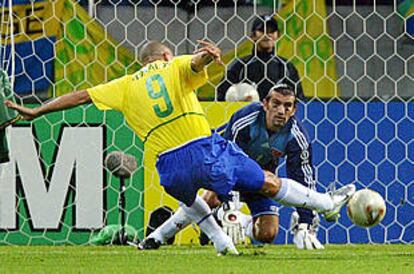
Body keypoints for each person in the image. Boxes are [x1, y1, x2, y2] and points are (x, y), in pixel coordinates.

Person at [6, 40, 354, 256]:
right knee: (268, 181)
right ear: (165, 55)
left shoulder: (124, 85)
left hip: (167, 167)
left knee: (193, 199)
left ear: (141, 62)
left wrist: (38, 109)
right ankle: (326, 204)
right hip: (202, 148)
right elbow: (194, 64)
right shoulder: (172, 66)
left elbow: (81, 95)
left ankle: (216, 241)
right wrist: (206, 56)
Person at [139, 83, 324, 250]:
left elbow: (301, 178)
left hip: (260, 180)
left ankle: (229, 220)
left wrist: (305, 224)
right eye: (276, 104)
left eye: (287, 106)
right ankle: (159, 236)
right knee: (208, 200)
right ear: (265, 104)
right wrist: (229, 206)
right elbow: (226, 162)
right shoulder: (245, 120)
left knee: (267, 234)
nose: (281, 111)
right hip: (219, 167)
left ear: (294, 110)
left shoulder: (296, 136)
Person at [217, 14, 305, 101]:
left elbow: (299, 100)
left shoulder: (287, 67)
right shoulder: (240, 66)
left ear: (278, 35)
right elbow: (221, 97)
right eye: (262, 31)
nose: (267, 35)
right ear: (253, 36)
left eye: (271, 31)